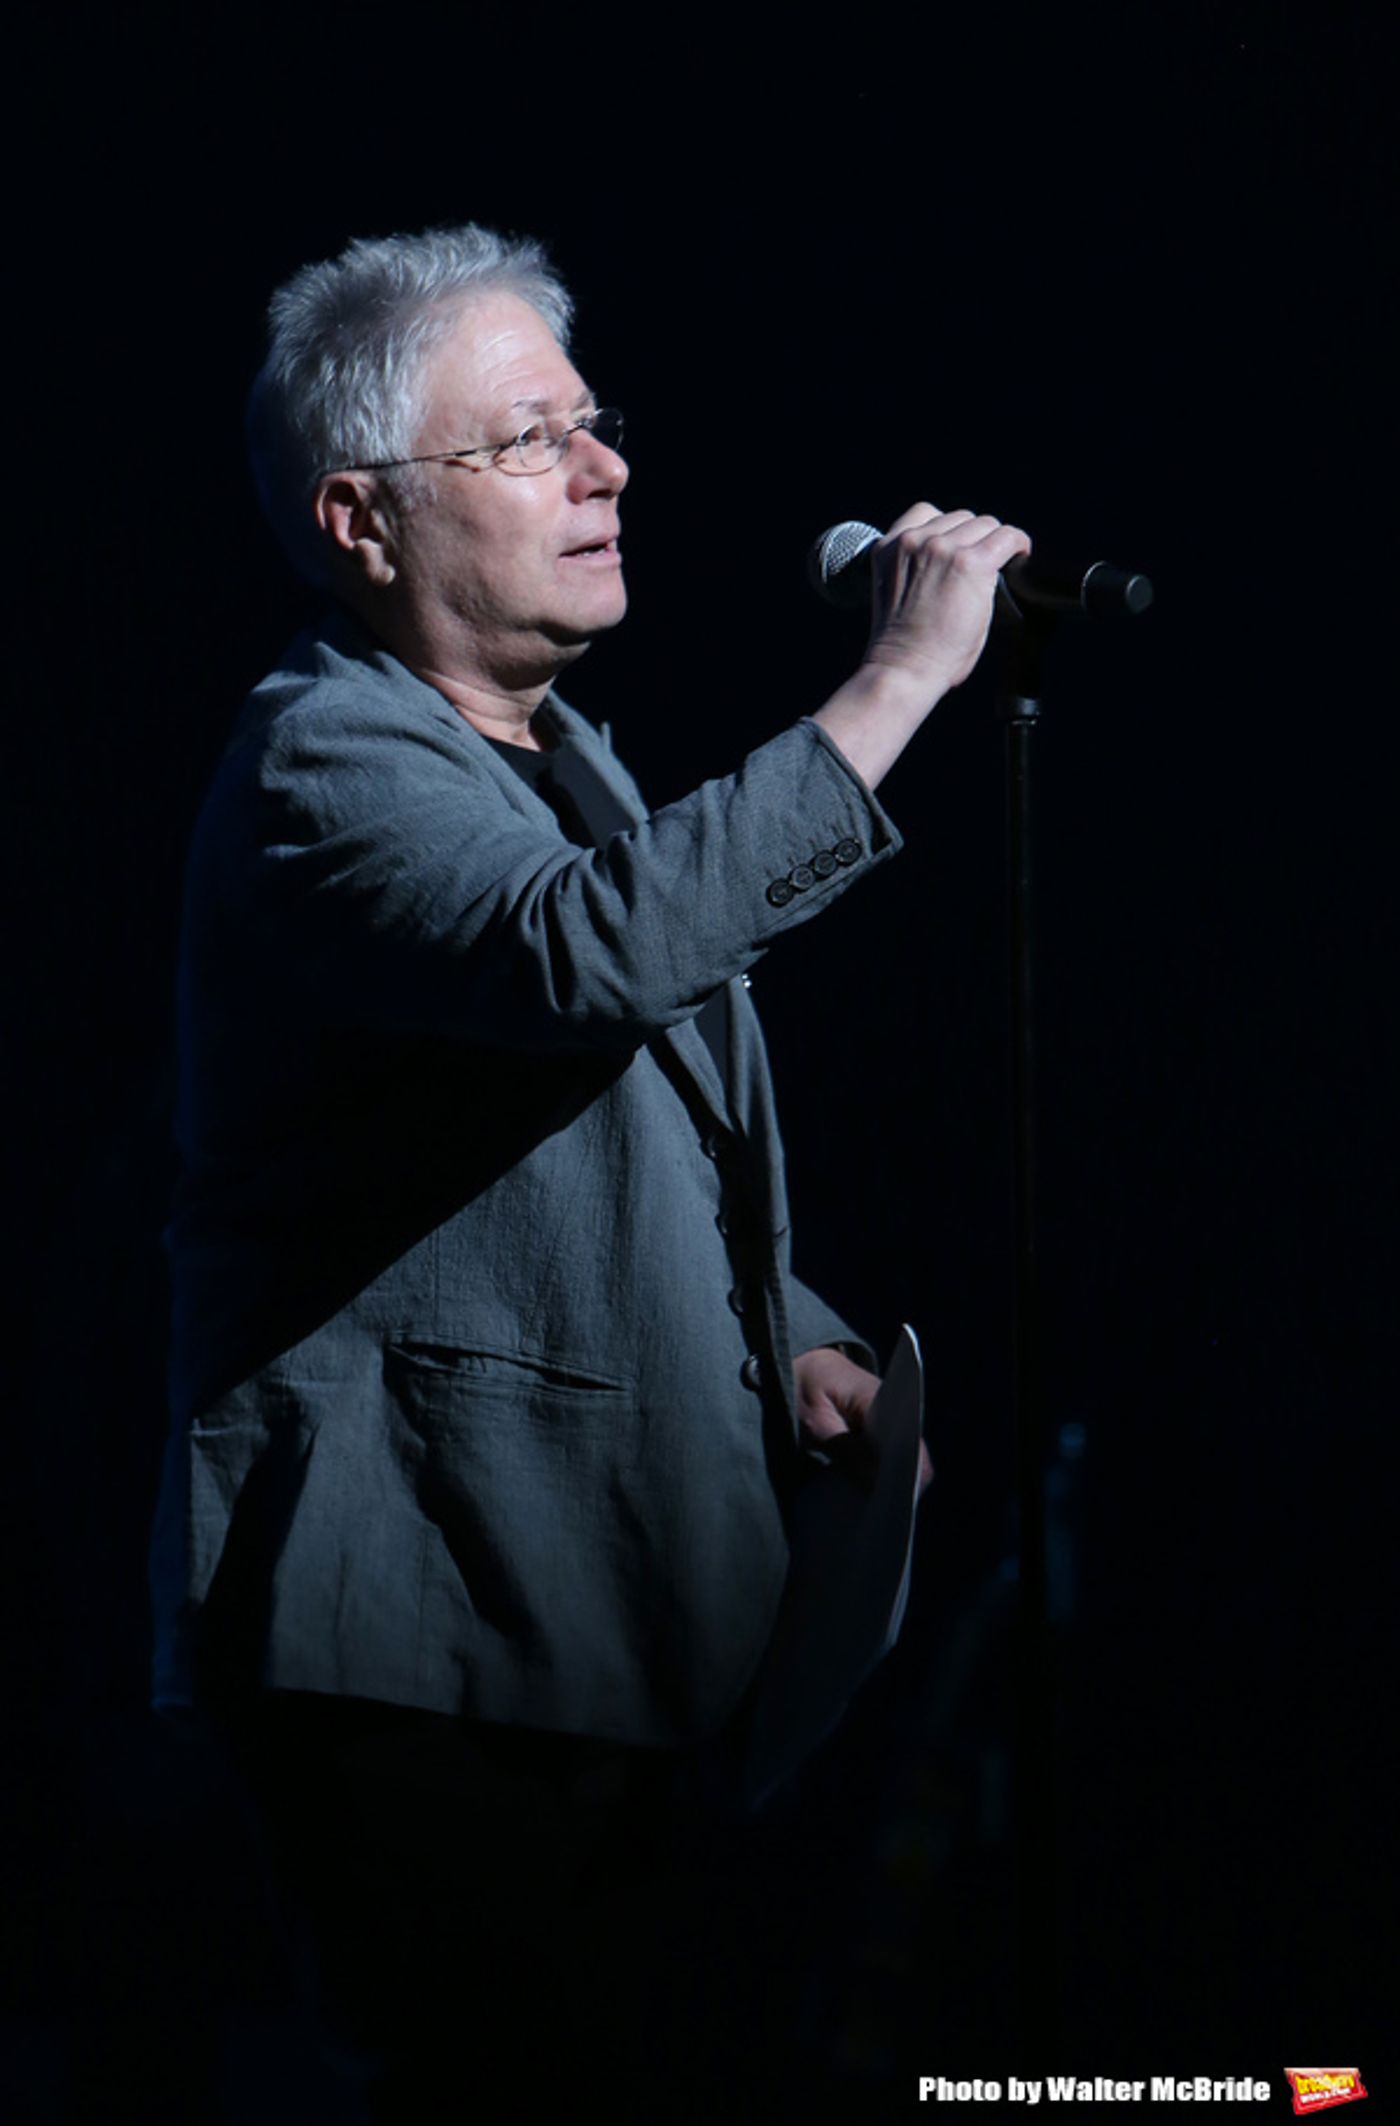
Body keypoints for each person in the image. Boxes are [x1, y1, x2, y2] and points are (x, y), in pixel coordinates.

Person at [147, 223, 1029, 2118]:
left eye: (596, 420)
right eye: (526, 438)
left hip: (601, 1614)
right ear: (365, 523)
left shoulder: (568, 770)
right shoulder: (326, 765)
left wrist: (780, 1336)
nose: (607, 465)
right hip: (426, 1633)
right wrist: (897, 685)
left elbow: (591, 1130)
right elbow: (592, 959)